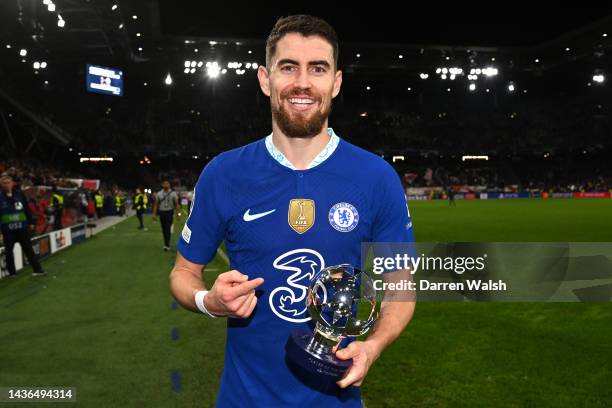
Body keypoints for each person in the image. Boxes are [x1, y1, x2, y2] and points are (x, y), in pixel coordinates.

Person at [169, 15, 415, 408]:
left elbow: (401, 285)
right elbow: (183, 273)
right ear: (266, 80)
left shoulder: (376, 177)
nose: (302, 83)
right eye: (289, 67)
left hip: (338, 400)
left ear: (335, 83)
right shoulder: (224, 173)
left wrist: (374, 345)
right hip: (243, 399)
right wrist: (208, 302)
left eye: (317, 68)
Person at [0, 174, 46, 276]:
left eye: (8, 183)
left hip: (22, 228)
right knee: (8, 253)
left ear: (12, 183)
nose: (6, 185)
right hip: (8, 230)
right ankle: (12, 273)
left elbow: (26, 209)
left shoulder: (19, 194)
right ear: (1, 185)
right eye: (3, 183)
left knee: (29, 249)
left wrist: (31, 222)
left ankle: (37, 270)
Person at [152, 180, 180, 251]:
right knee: (164, 229)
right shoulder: (159, 193)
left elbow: (177, 204)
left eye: (168, 183)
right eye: (165, 183)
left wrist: (178, 214)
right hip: (162, 212)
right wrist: (154, 214)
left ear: (169, 185)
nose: (166, 185)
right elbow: (156, 204)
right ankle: (166, 243)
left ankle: (167, 245)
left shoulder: (173, 193)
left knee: (167, 228)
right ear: (162, 185)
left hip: (169, 212)